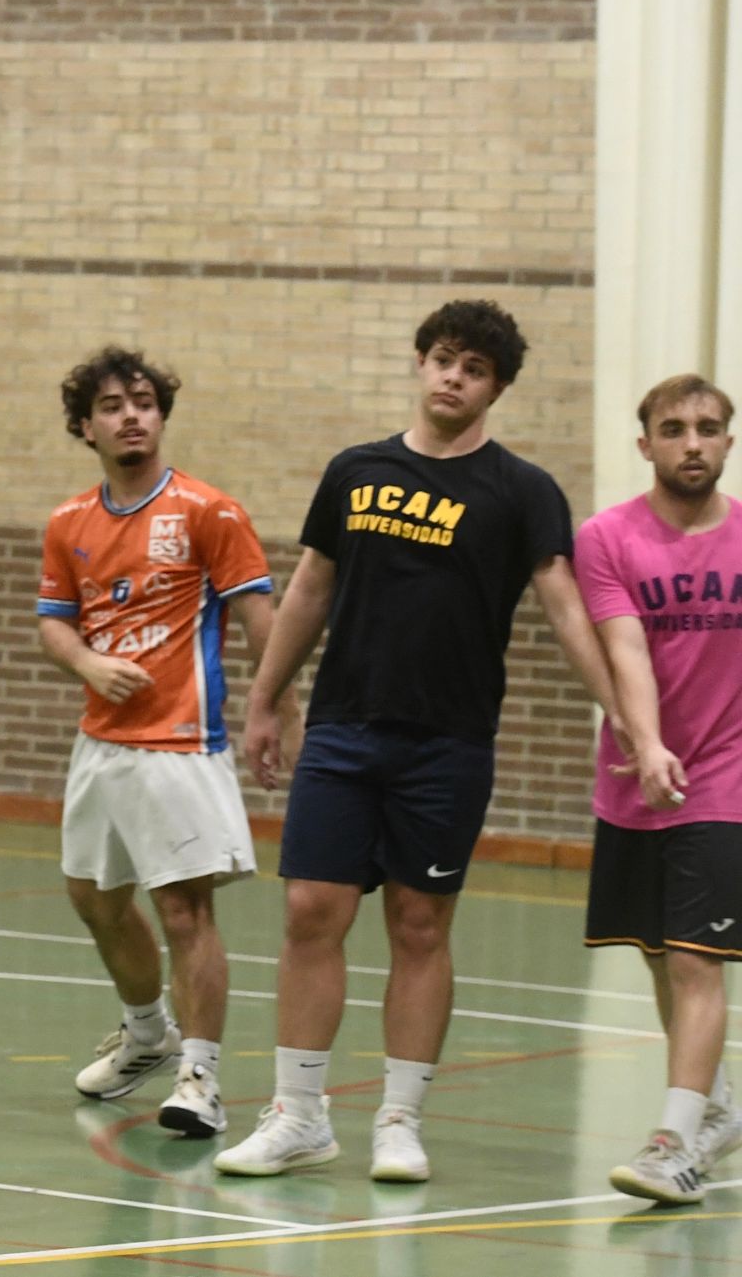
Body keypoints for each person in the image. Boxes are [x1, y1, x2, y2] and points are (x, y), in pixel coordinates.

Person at [214, 299, 620, 1182]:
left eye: (474, 370)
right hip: (344, 731)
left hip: (449, 742)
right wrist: (265, 699)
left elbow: (563, 605)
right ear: (420, 363)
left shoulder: (523, 492)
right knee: (309, 912)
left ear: (495, 389)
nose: (453, 378)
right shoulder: (356, 471)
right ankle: (298, 1113)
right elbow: (312, 588)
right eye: (443, 359)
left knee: (420, 923)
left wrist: (618, 710)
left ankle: (399, 1119)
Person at [38, 347, 291, 1139]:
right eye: (112, 405)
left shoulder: (210, 512)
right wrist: (86, 661)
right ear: (87, 426)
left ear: (161, 414)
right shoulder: (68, 523)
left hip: (182, 742)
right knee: (95, 898)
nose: (132, 416)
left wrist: (271, 708)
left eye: (143, 401)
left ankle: (202, 1078)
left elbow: (262, 622)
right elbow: (55, 619)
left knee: (184, 911)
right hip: (101, 744)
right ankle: (149, 1032)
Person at [576, 373, 742, 1205]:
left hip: (729, 778)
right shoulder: (607, 537)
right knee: (656, 952)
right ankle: (713, 1106)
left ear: (728, 441)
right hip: (639, 777)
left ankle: (675, 1141)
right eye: (673, 429)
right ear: (645, 444)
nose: (692, 443)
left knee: (695, 956)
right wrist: (646, 744)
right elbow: (625, 648)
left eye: (708, 428)